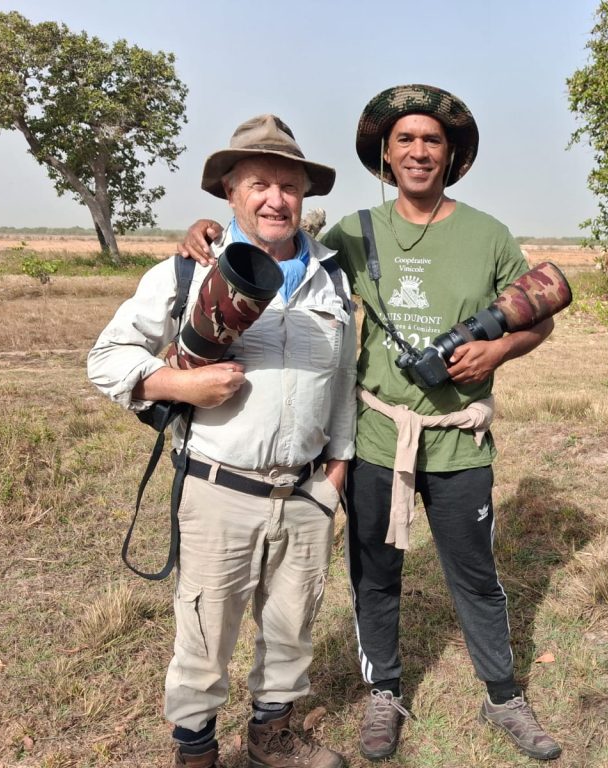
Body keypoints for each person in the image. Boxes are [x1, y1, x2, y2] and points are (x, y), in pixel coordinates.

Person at [180, 85, 562, 762]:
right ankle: (384, 691)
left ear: (452, 155)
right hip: (379, 438)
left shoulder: (488, 234)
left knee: (474, 574)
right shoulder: (354, 232)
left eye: (433, 141)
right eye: (406, 140)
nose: (420, 152)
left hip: (458, 443)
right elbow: (281, 254)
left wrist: (498, 348)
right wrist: (207, 233)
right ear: (386, 154)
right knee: (375, 571)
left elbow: (541, 316)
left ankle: (503, 694)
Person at [88, 114, 356, 768]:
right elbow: (106, 359)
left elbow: (345, 376)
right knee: (205, 639)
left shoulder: (332, 275)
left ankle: (272, 740)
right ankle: (197, 753)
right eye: (259, 184)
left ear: (304, 196)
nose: (276, 199)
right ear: (229, 193)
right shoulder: (187, 274)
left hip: (306, 493)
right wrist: (182, 387)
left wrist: (337, 468)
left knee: (292, 631)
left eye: (289, 186)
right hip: (218, 489)